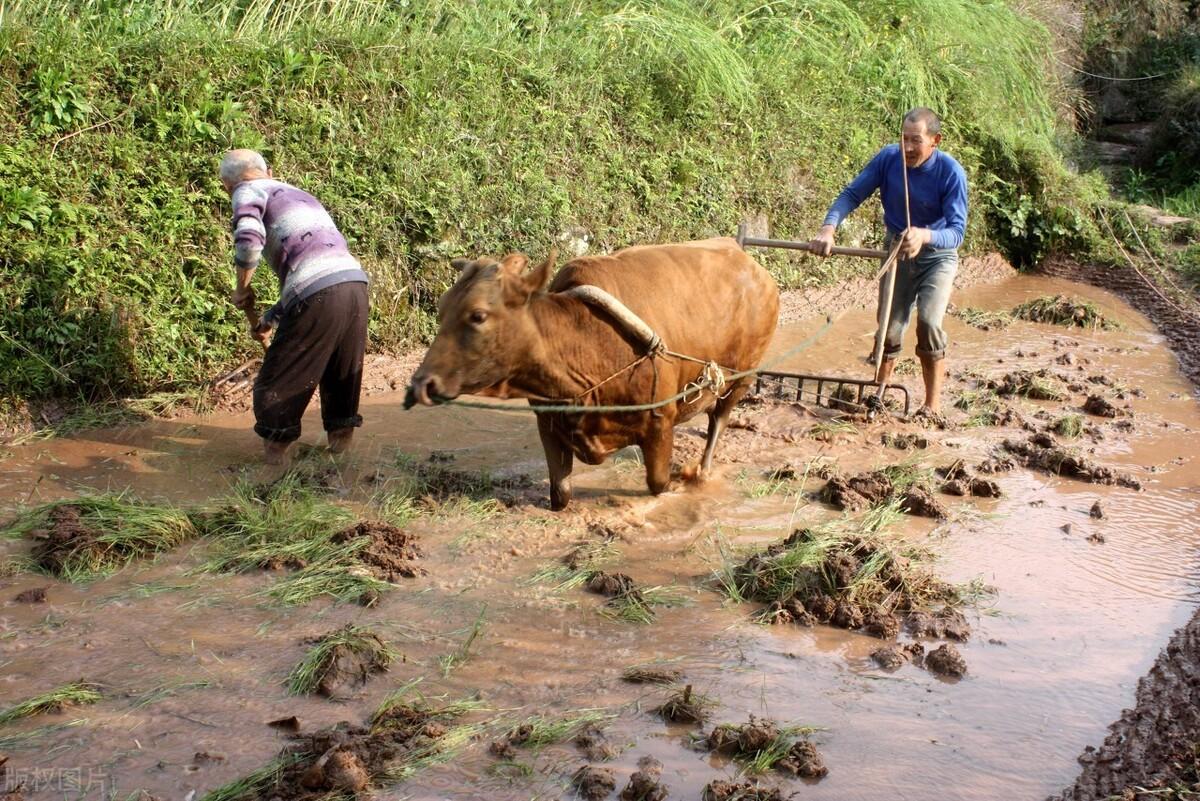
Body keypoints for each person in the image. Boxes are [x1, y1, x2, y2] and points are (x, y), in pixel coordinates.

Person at [810, 107, 968, 416]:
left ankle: (931, 406)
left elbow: (957, 232)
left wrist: (924, 236)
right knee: (889, 328)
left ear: (935, 140)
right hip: (897, 250)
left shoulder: (950, 172)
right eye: (904, 139)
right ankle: (878, 393)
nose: (908, 148)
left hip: (936, 256)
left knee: (929, 322)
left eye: (916, 141)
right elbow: (852, 194)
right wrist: (828, 228)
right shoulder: (888, 159)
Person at [219, 149, 370, 465]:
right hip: (354, 285)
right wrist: (271, 317)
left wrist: (242, 288)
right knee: (340, 379)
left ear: (226, 185)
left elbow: (248, 239)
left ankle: (275, 474)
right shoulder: (298, 194)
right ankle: (341, 466)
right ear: (269, 171)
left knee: (276, 387)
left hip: (318, 291)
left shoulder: (246, 190)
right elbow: (315, 265)